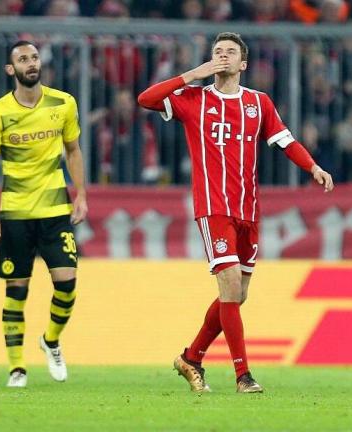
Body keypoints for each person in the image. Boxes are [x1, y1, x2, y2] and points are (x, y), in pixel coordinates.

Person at [138, 32, 334, 393]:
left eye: (230, 52)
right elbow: (145, 99)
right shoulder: (194, 99)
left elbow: (286, 141)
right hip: (214, 209)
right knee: (229, 286)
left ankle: (191, 358)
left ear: (243, 63)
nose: (223, 56)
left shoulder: (258, 103)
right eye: (217, 51)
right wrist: (192, 74)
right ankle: (243, 375)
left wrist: (313, 167)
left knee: (238, 294)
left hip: (249, 210)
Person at [0, 40, 88, 388]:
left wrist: (81, 195)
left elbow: (73, 150)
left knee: (67, 284)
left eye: (35, 57)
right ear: (11, 69)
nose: (31, 63)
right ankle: (17, 368)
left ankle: (51, 340)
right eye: (23, 59)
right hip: (15, 213)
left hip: (55, 208)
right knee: (16, 291)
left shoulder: (63, 103)